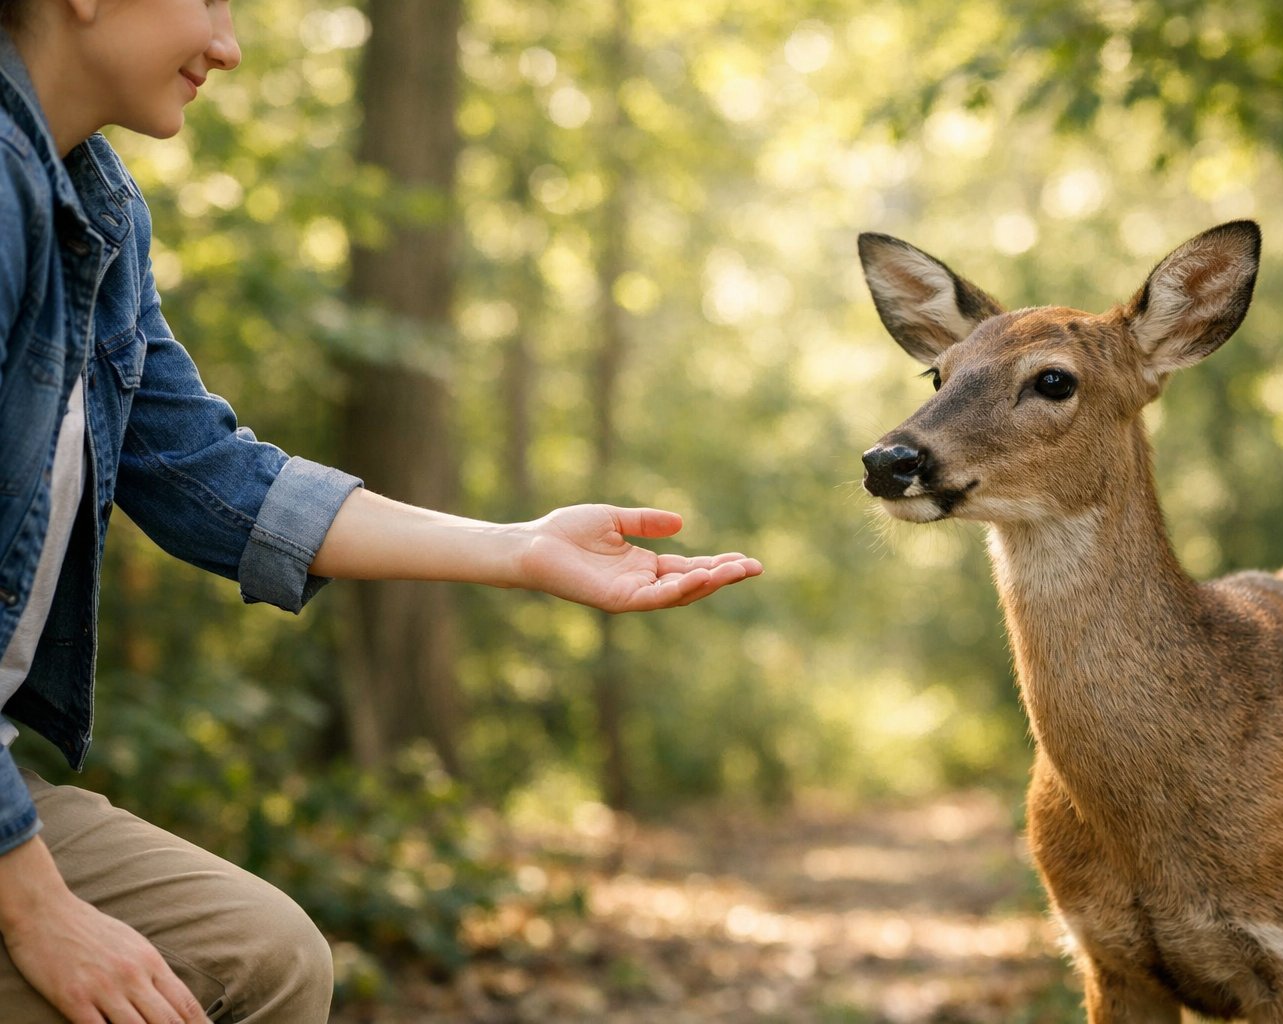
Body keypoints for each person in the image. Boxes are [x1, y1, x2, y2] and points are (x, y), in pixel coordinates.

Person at [0, 0, 764, 1020]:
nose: (229, 45)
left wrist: (523, 549)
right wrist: (37, 907)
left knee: (264, 955)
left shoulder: (97, 207)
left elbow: (210, 476)